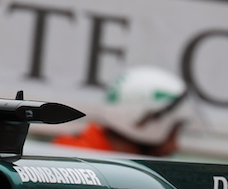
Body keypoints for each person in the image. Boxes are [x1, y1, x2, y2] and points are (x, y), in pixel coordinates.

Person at [53, 66, 191, 157]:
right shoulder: (79, 169)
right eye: (173, 131)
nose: (174, 147)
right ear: (143, 123)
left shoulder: (75, 155)